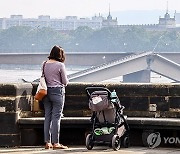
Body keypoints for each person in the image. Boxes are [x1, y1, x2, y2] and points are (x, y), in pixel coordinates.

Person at [42, 45, 69, 150]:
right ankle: (56, 143)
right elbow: (65, 82)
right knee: (56, 118)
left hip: (46, 92)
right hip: (57, 92)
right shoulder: (60, 65)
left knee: (47, 117)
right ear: (60, 55)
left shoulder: (44, 64)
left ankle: (47, 142)